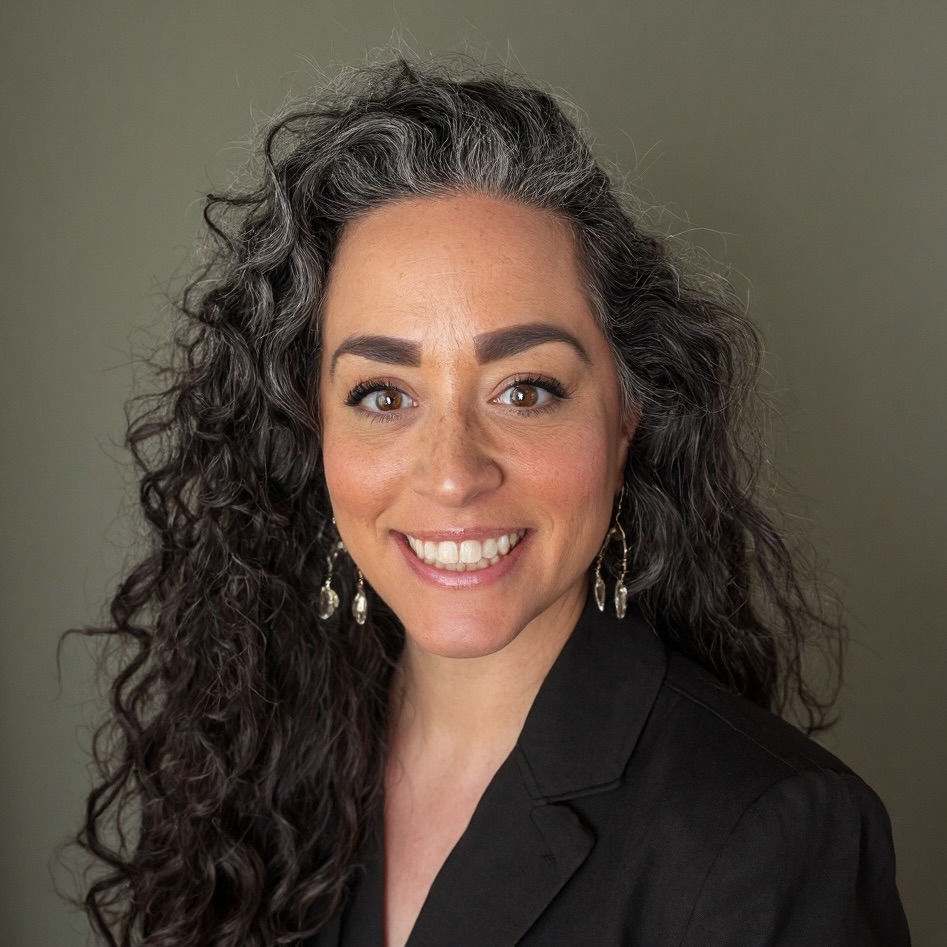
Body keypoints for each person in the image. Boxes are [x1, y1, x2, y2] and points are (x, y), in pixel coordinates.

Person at [73, 59, 910, 946]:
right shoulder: (259, 773)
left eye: (525, 390)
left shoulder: (775, 835)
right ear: (310, 431)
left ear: (628, 413)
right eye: (382, 396)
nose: (451, 473)